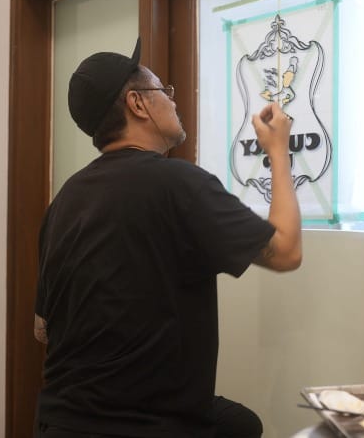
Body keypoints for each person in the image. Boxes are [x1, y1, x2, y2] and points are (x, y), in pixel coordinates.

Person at [33, 38, 301, 438]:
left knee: (241, 425)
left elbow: (42, 329)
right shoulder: (177, 183)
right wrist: (278, 151)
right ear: (138, 104)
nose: (173, 101)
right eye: (164, 90)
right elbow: (286, 250)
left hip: (60, 421)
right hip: (146, 425)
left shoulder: (63, 201)